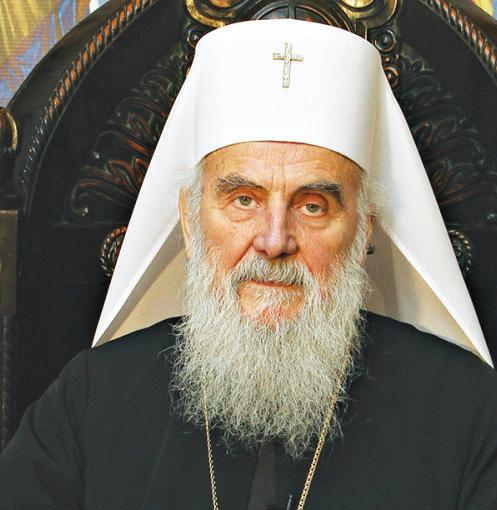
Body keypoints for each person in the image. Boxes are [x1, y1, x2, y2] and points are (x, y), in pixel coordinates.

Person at [1, 18, 497, 510]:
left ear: (363, 231)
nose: (274, 241)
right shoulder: (91, 399)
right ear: (190, 223)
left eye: (312, 206)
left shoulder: (467, 412)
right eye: (243, 200)